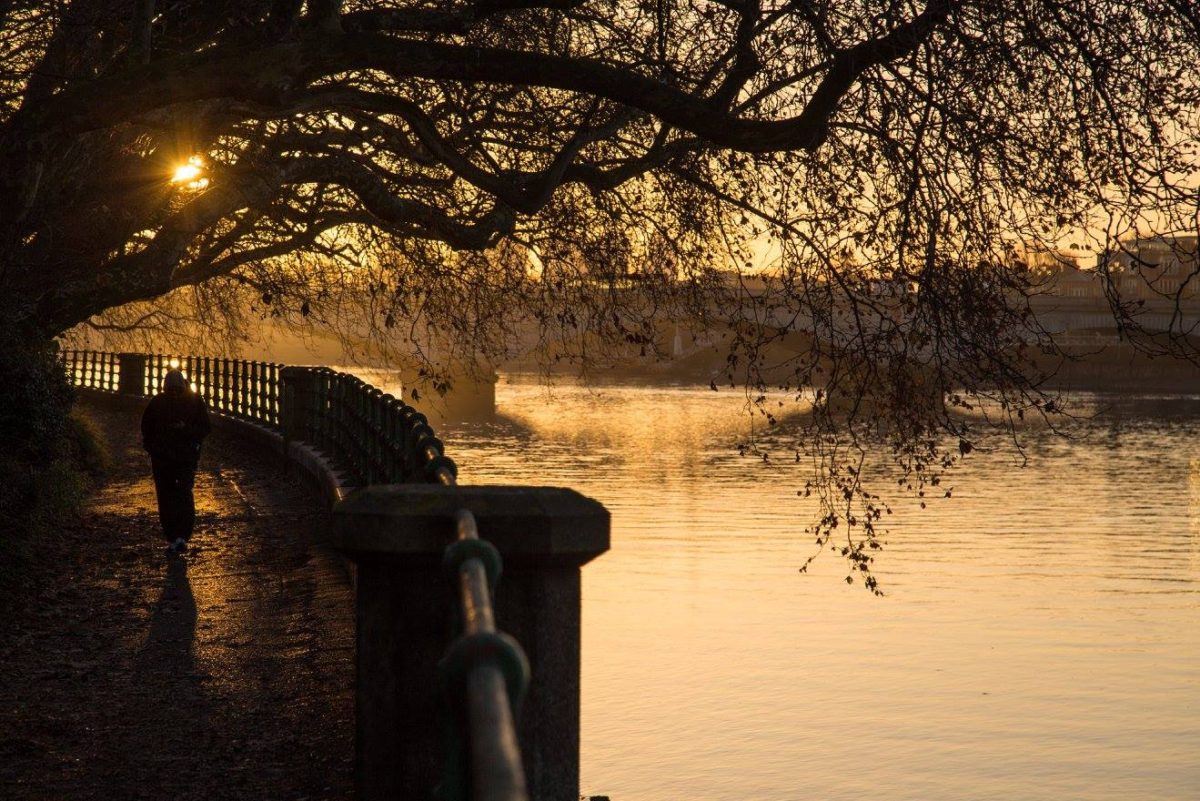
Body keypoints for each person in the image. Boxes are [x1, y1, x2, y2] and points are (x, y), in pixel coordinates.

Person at [141, 369, 210, 554]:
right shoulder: (157, 402)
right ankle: (173, 537)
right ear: (165, 388)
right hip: (163, 458)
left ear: (183, 387)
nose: (174, 393)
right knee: (166, 496)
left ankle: (182, 536)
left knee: (183, 494)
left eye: (177, 390)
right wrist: (152, 447)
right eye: (170, 390)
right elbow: (146, 428)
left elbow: (204, 428)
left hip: (184, 457)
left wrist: (184, 429)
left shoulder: (194, 401)